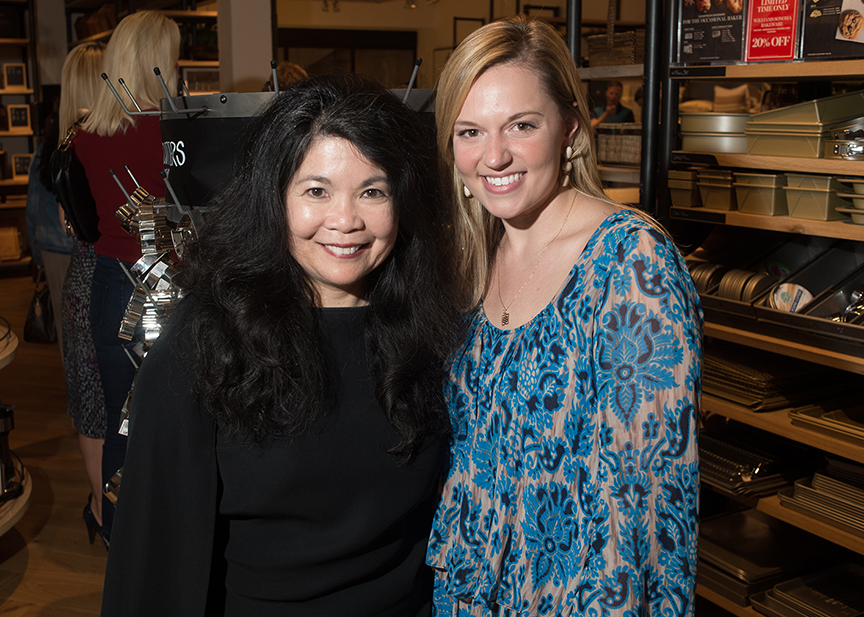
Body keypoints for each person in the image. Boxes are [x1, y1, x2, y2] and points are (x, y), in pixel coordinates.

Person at [101, 73, 459, 616]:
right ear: (273, 198)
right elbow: (153, 562)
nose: (346, 220)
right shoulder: (206, 340)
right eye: (316, 191)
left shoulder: (432, 330)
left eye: (373, 191)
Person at [427, 16, 702, 617]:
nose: (493, 156)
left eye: (521, 125)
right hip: (465, 594)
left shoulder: (630, 262)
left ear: (570, 129)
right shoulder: (469, 258)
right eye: (470, 131)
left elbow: (646, 504)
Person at [73, 10, 179, 546]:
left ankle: (120, 540)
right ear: (159, 60)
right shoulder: (173, 130)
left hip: (109, 284)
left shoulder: (84, 134)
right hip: (167, 289)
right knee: (175, 425)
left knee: (122, 420)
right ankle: (164, 544)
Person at [55, 40, 109, 549]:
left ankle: (100, 508)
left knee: (93, 404)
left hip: (82, 280)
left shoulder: (68, 146)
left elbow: (66, 225)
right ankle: (103, 509)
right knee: (98, 405)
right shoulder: (90, 146)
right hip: (101, 281)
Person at [25, 107, 73, 351]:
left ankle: (70, 371)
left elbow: (32, 207)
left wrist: (36, 256)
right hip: (80, 244)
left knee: (61, 320)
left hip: (51, 246)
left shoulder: (43, 152)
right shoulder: (78, 146)